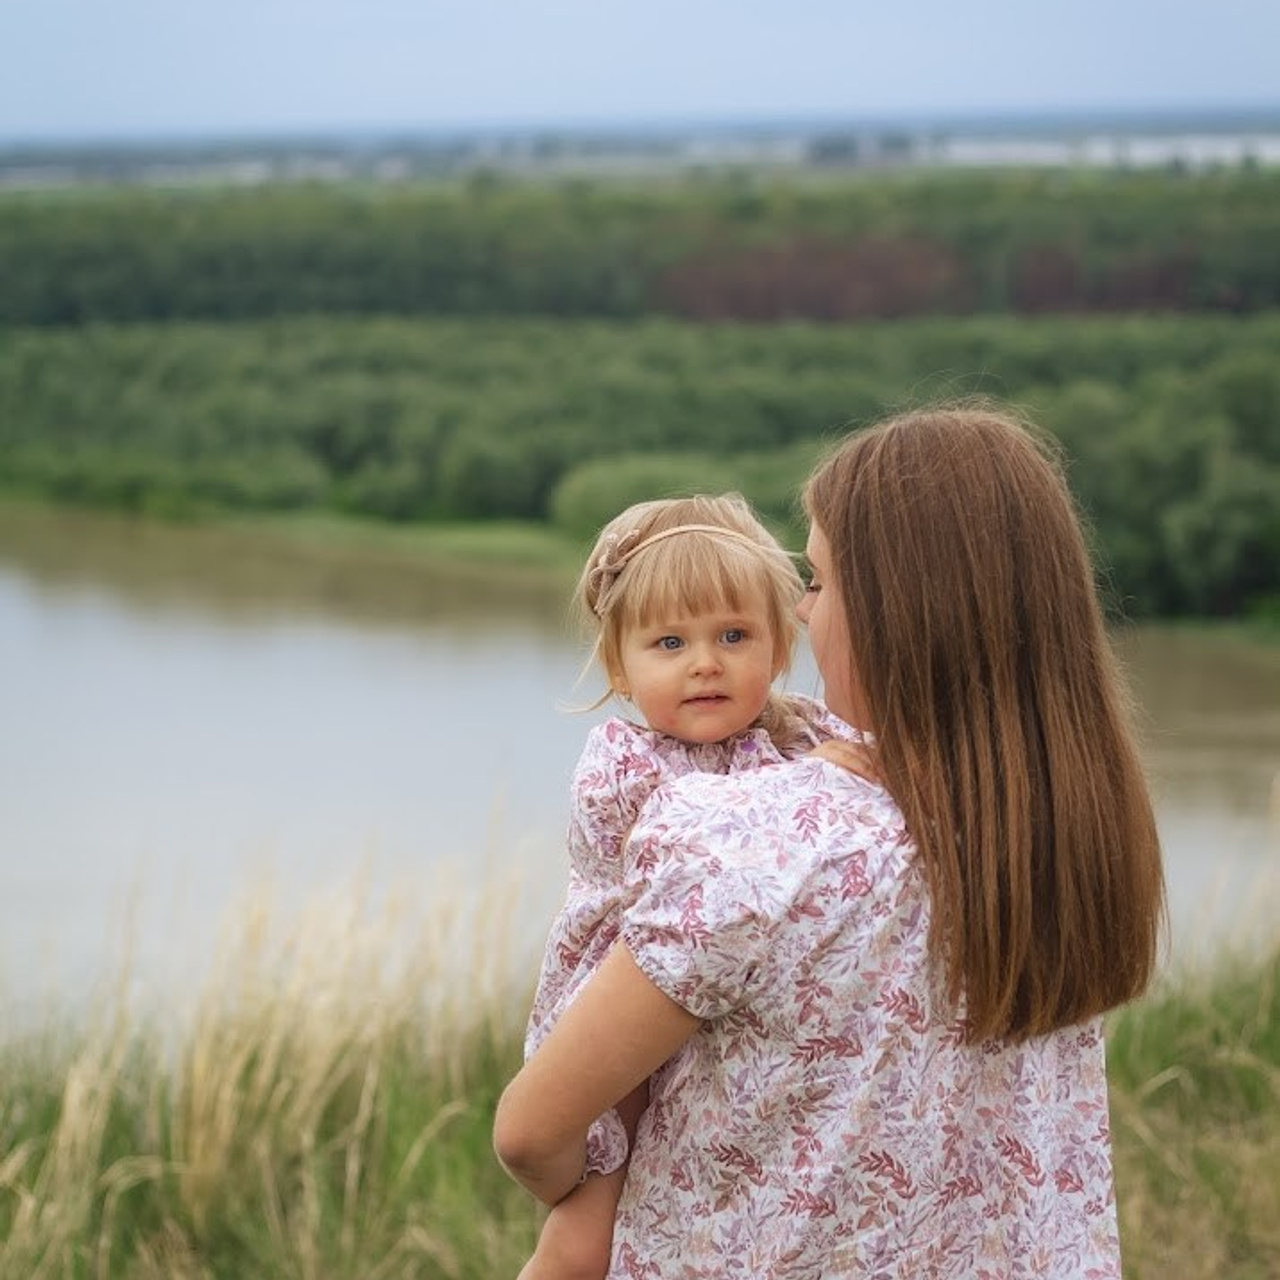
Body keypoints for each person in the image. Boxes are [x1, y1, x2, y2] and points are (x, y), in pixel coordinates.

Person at [494, 403, 1166, 1278]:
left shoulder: (754, 844)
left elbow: (530, 1130)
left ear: (898, 611)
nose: (804, 615)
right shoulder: (1064, 821)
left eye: (816, 582)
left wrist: (582, 1205)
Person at [518, 492, 862, 1280]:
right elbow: (693, 866)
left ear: (778, 648)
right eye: (670, 643)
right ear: (621, 667)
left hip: (725, 1004)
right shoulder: (626, 766)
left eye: (733, 636)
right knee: (592, 1216)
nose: (705, 663)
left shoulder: (795, 731)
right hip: (624, 995)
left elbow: (859, 770)